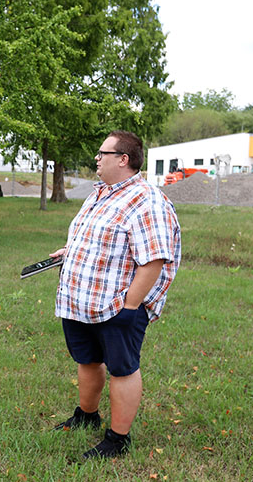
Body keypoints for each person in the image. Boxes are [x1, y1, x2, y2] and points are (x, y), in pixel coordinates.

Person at [50, 130, 181, 459]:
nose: (96, 158)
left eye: (102, 153)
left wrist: (131, 306)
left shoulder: (147, 200)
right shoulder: (100, 193)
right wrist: (71, 251)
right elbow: (102, 238)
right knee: (88, 360)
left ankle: (117, 439)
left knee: (122, 368)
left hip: (117, 305)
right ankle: (87, 416)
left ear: (123, 159)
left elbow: (154, 258)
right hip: (81, 302)